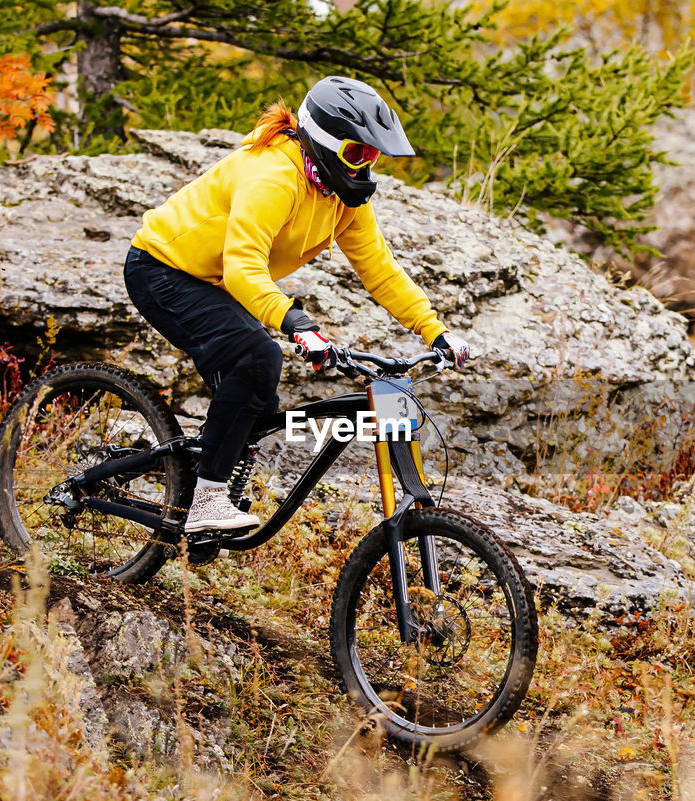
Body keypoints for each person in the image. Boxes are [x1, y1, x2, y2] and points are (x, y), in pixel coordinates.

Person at [123, 76, 470, 533]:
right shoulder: (273, 176)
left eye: (372, 155)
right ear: (324, 143)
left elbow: (381, 271)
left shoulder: (342, 198)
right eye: (356, 153)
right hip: (162, 268)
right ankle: (206, 501)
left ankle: (202, 495)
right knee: (258, 356)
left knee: (258, 399)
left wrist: (436, 331)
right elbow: (242, 265)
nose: (365, 165)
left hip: (215, 282)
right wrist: (294, 321)